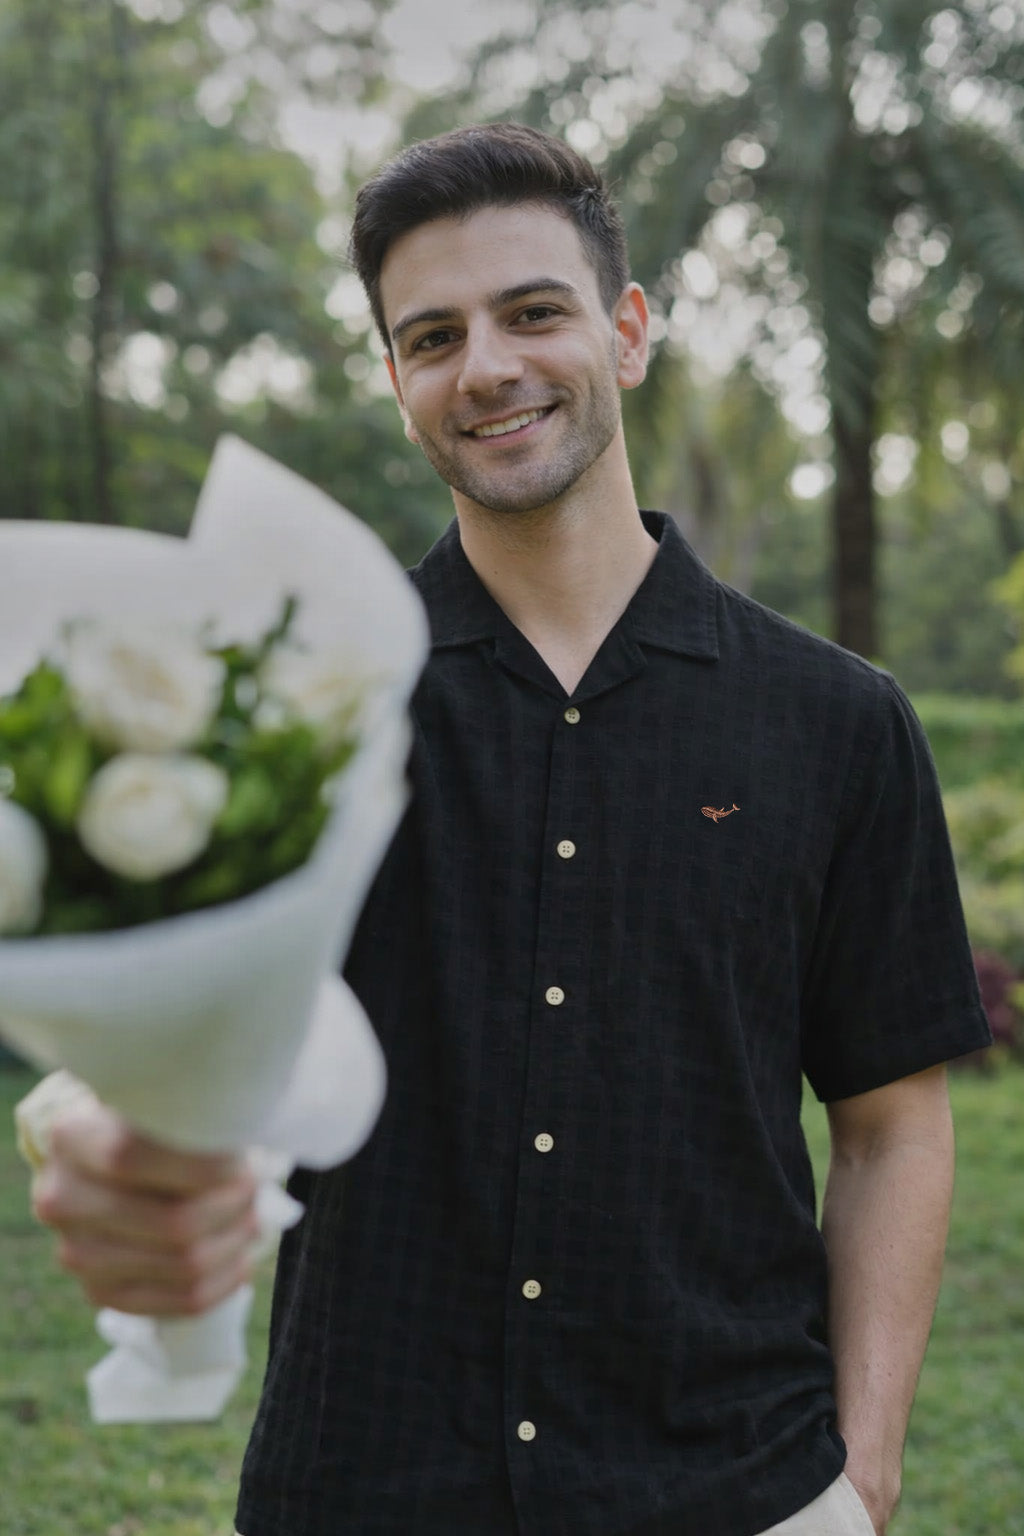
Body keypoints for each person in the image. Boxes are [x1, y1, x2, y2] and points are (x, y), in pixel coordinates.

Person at [32, 123, 990, 1536]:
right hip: (367, 1487)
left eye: (532, 312)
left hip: (734, 1486)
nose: (485, 367)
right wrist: (100, 1135)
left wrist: (868, 1474)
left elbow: (891, 1129)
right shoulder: (294, 712)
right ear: (397, 381)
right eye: (432, 337)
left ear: (628, 330)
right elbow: (164, 1035)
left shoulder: (838, 719)